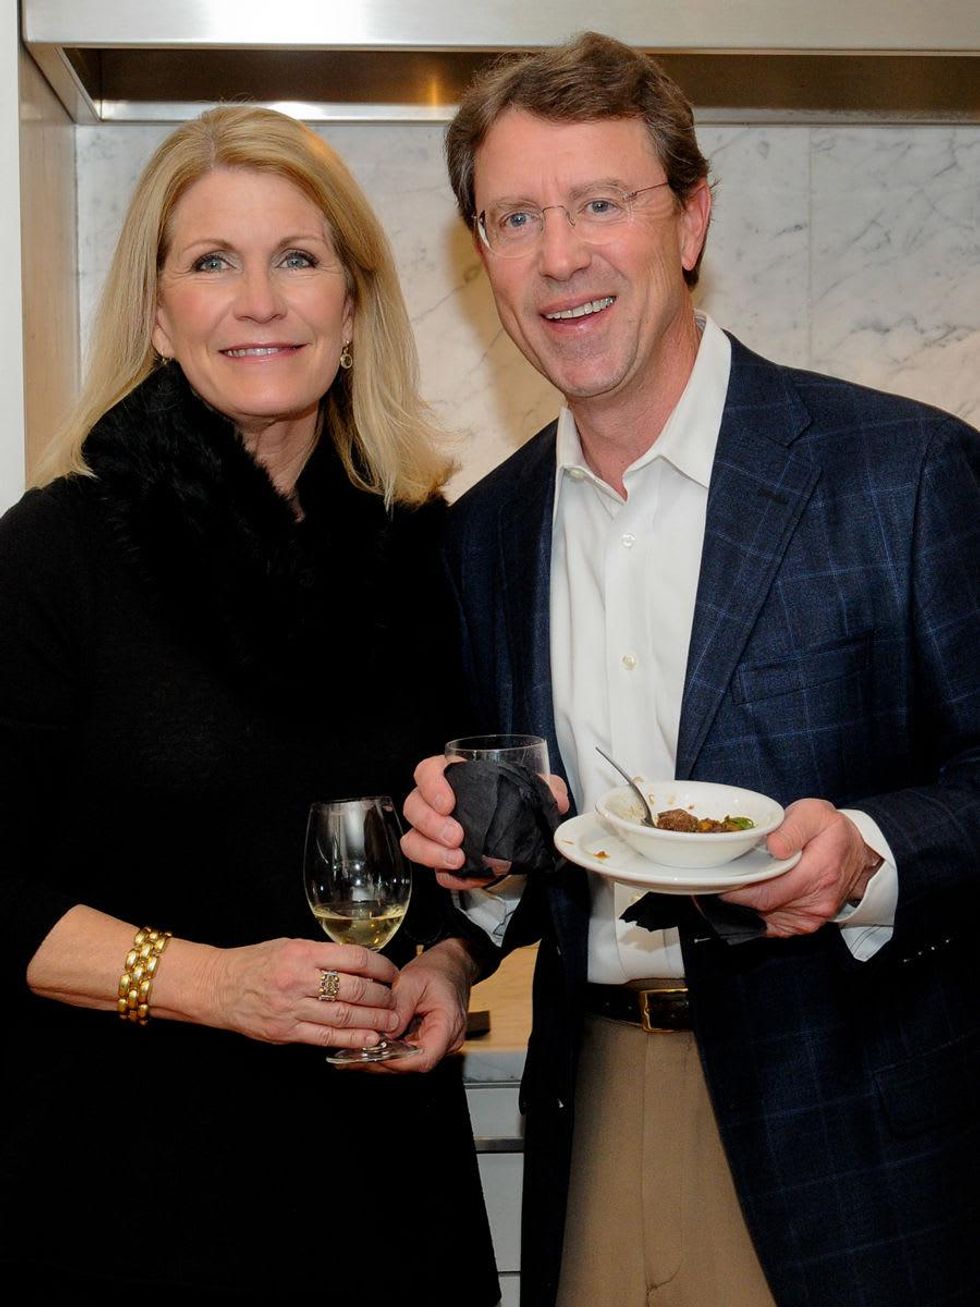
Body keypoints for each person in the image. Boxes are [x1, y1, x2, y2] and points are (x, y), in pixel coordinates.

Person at [402, 32, 980, 1307]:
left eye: (600, 203)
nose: (560, 256)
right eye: (514, 218)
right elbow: (525, 859)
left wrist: (868, 852)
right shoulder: (483, 535)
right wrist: (465, 879)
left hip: (853, 1138)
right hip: (595, 1106)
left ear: (690, 219)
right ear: (481, 254)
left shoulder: (903, 473)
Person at [0, 106, 499, 1302]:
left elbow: (469, 850)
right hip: (122, 1197)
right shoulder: (57, 552)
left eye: (299, 258)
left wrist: (445, 962)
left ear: (352, 307)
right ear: (158, 315)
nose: (260, 301)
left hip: (387, 1198)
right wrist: (218, 985)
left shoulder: (426, 551)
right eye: (213, 261)